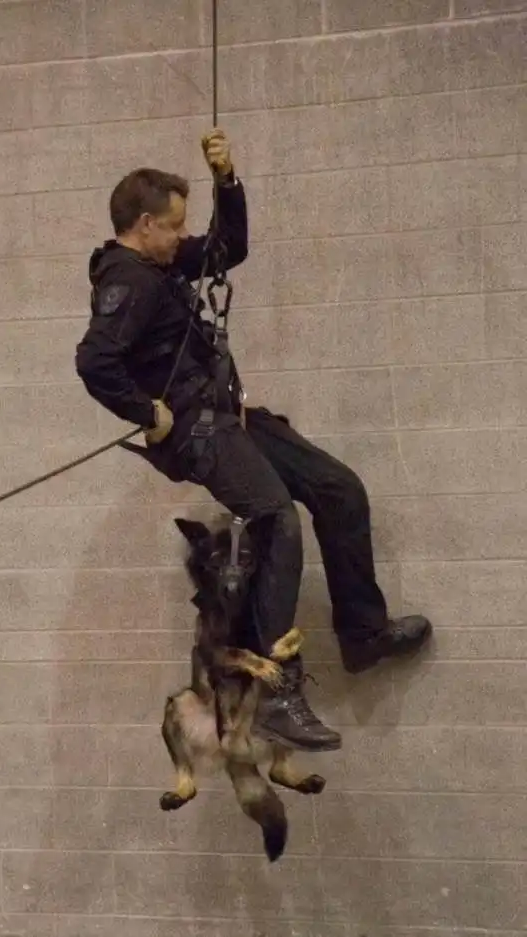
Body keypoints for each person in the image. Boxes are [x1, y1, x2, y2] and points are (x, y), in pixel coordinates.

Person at [75, 129, 432, 754]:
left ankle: (363, 633)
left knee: (337, 487)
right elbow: (93, 360)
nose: (183, 236)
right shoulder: (128, 279)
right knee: (276, 517)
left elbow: (228, 247)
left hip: (227, 415)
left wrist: (227, 181)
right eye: (174, 226)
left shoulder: (161, 263)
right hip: (195, 429)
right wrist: (146, 411)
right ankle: (272, 692)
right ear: (144, 224)